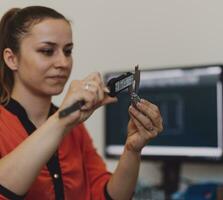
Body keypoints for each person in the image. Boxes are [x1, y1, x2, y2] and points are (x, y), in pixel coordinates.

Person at [0, 6, 163, 200]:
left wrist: (132, 151)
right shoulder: (65, 121)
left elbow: (106, 195)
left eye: (68, 51)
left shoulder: (74, 128)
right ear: (11, 59)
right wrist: (62, 120)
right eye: (47, 51)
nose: (63, 62)